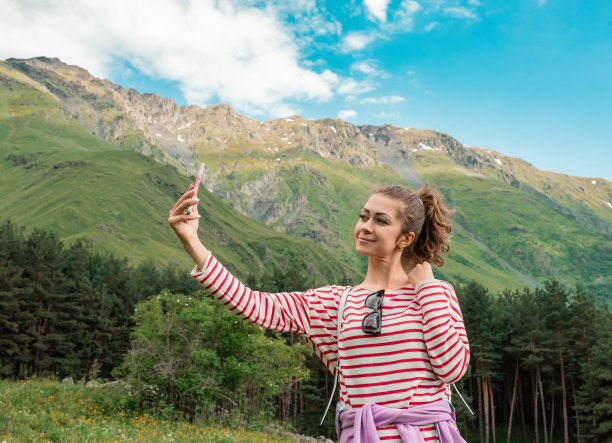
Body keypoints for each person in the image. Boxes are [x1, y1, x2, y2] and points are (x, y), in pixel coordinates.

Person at [168, 182, 469, 442]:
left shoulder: (434, 295)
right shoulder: (332, 303)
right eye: (363, 216)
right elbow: (255, 305)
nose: (365, 226)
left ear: (405, 238)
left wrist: (427, 287)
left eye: (380, 220)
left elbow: (451, 368)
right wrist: (191, 241)